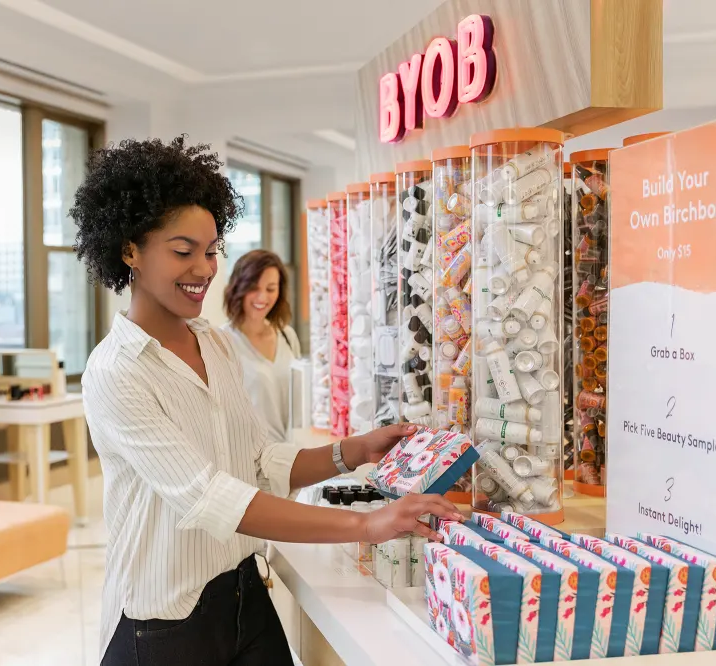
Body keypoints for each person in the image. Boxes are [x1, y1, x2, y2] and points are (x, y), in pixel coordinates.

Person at [72, 136, 463, 666]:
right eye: (183, 251)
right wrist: (368, 524)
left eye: (211, 251)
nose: (204, 269)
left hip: (244, 597)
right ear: (129, 250)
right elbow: (210, 498)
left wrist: (356, 450)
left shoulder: (213, 343)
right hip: (163, 626)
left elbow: (259, 460)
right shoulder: (116, 371)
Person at [222, 250, 300, 443]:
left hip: (296, 458)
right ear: (238, 287)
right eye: (254, 288)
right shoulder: (222, 341)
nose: (262, 297)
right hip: (254, 465)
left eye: (271, 289)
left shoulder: (288, 336)